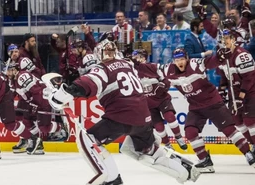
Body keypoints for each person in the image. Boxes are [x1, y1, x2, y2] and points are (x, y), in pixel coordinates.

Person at [47, 39, 201, 185]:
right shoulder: (129, 65)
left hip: (120, 117)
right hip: (144, 119)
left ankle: (110, 178)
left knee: (86, 138)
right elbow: (154, 69)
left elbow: (85, 84)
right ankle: (183, 171)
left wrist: (59, 96)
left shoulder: (102, 69)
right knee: (140, 150)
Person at [159, 48, 255, 173]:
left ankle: (248, 153)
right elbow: (152, 70)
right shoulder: (168, 70)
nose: (180, 62)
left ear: (187, 59)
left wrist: (219, 57)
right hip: (195, 107)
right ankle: (205, 161)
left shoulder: (194, 64)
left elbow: (210, 62)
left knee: (229, 130)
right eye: (177, 60)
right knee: (190, 132)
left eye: (182, 59)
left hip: (213, 103)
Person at [130, 49, 187, 150]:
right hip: (148, 105)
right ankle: (167, 144)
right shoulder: (132, 73)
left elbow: (167, 79)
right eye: (134, 58)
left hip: (162, 99)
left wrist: (163, 86)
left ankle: (178, 137)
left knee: (170, 117)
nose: (136, 60)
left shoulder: (153, 67)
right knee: (159, 127)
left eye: (137, 57)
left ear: (144, 58)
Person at [218, 29, 255, 153]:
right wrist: (222, 91)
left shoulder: (242, 55)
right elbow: (224, 77)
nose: (224, 41)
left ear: (234, 40)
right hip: (234, 94)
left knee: (250, 121)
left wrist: (241, 97)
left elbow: (249, 78)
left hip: (250, 92)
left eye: (227, 38)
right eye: (222, 39)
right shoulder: (223, 56)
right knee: (237, 121)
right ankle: (253, 144)